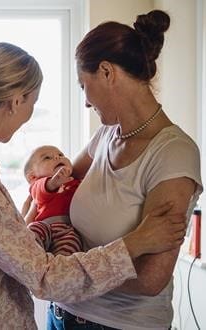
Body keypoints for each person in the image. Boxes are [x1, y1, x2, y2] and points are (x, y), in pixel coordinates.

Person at [0, 42, 188, 329]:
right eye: (33, 103)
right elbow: (44, 277)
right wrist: (135, 242)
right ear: (16, 101)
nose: (29, 115)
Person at [48, 10, 203, 330]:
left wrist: (65, 270)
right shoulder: (105, 135)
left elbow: (150, 279)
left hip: (116, 324)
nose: (86, 103)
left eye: (83, 86)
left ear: (106, 72)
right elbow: (58, 187)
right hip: (61, 314)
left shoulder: (174, 153)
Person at [23, 145, 82, 256]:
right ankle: (28, 257)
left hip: (67, 229)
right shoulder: (37, 184)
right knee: (33, 231)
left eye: (61, 155)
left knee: (72, 242)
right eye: (47, 158)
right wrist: (53, 183)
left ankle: (61, 266)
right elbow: (43, 190)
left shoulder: (74, 181)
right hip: (44, 225)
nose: (57, 158)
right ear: (32, 177)